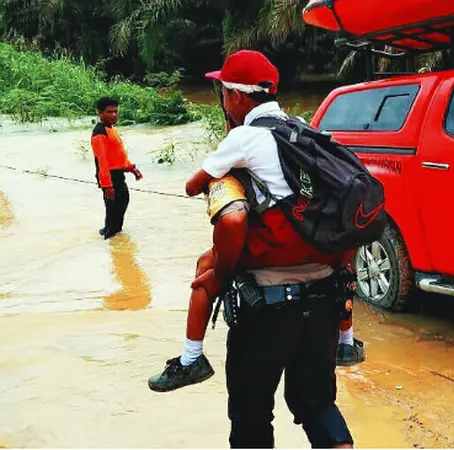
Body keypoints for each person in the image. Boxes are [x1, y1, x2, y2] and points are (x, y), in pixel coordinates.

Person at [150, 50, 356, 449]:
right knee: (317, 405)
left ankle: (191, 359)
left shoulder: (245, 136)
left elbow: (199, 190)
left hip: (267, 305)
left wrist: (224, 181)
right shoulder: (304, 131)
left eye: (223, 91)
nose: (223, 99)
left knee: (251, 416)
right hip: (327, 299)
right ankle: (349, 345)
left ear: (237, 97)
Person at [91, 97, 143, 240]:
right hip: (110, 178)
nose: (114, 115)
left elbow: (117, 154)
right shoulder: (99, 134)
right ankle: (110, 241)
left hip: (118, 175)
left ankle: (110, 238)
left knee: (117, 210)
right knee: (115, 212)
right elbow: (102, 161)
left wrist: (131, 168)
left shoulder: (111, 129)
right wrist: (107, 185)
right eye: (110, 112)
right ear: (100, 113)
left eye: (115, 111)